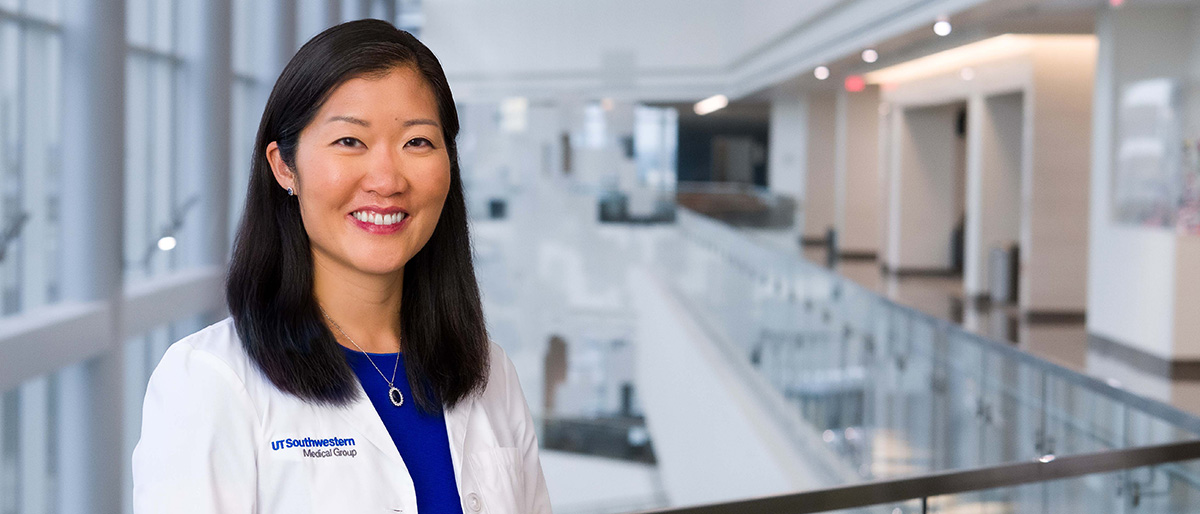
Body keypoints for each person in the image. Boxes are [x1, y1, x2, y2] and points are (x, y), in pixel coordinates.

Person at [132, 19, 552, 514]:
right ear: (285, 166)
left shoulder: (489, 371)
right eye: (350, 141)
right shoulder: (210, 381)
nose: (386, 179)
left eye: (417, 142)